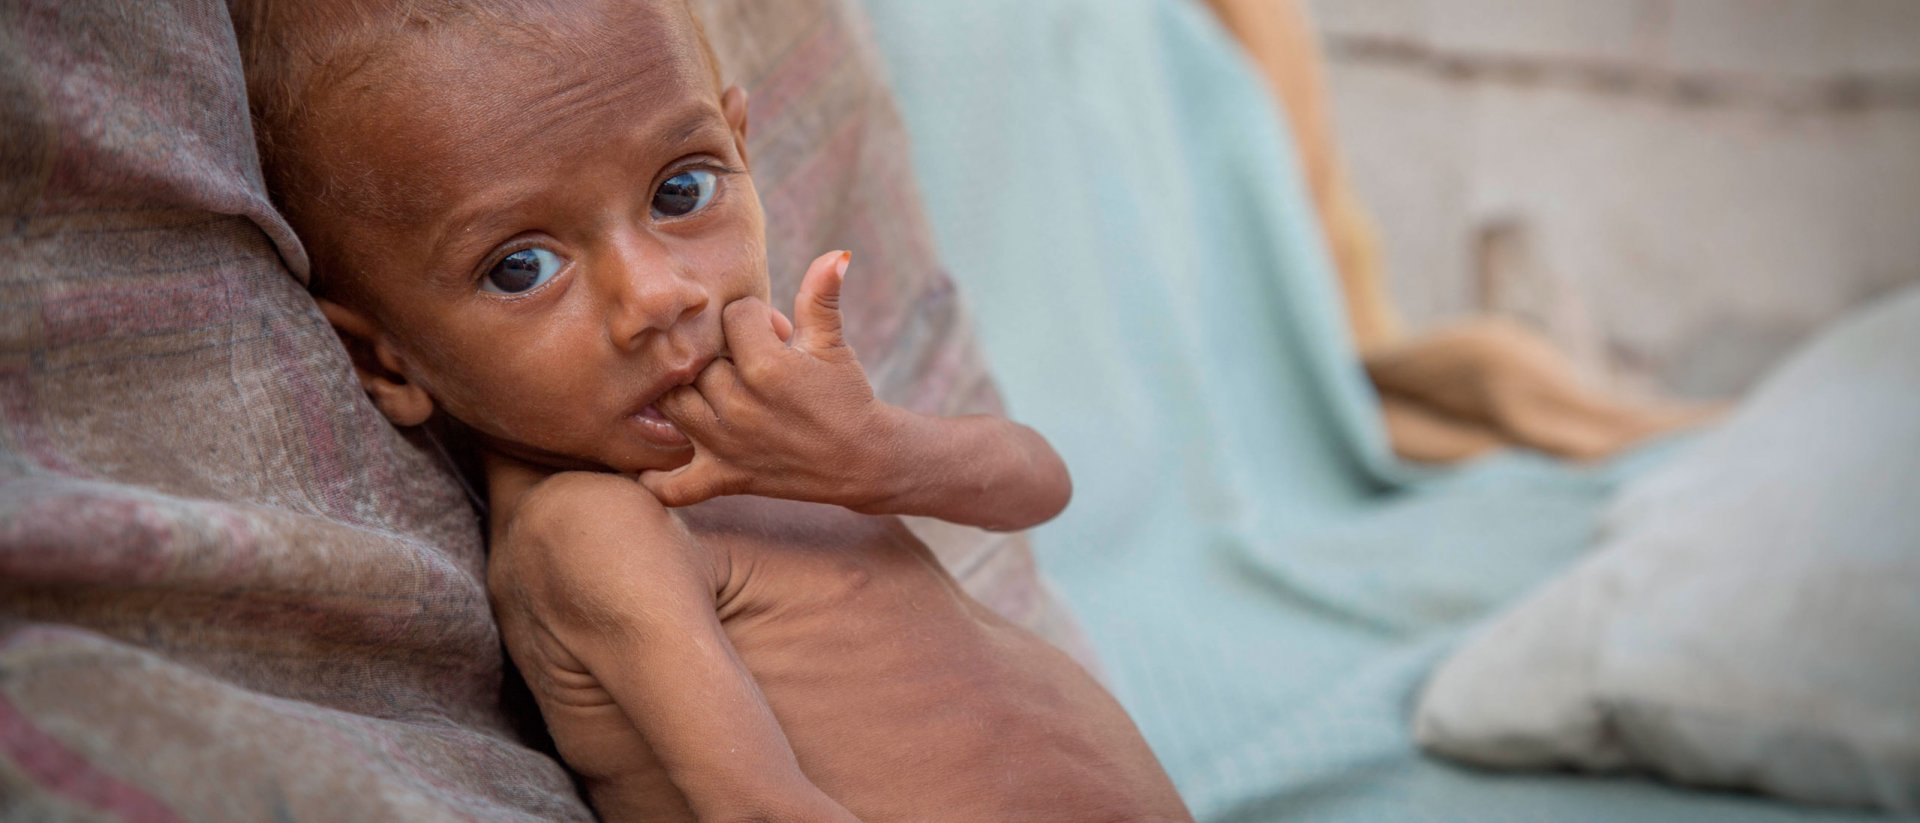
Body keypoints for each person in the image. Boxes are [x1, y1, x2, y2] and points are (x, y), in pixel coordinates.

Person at [232, 0, 1192, 819]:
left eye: (681, 189)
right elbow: (759, 806)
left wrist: (880, 453)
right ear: (380, 356)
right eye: (521, 266)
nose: (658, 294)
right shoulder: (592, 526)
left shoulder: (789, 415)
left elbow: (1039, 484)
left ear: (743, 146)